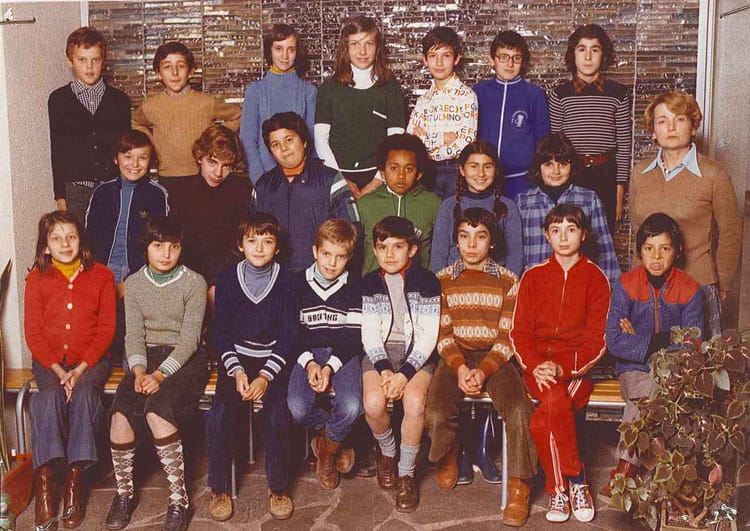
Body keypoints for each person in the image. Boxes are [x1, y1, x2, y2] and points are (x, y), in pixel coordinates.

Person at [426, 207, 536, 527]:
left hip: (496, 359)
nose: (472, 244)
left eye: (480, 237)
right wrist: (461, 369)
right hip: (455, 357)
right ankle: (448, 450)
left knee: (519, 410)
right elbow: (443, 335)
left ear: (493, 242)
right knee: (435, 411)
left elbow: (507, 338)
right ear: (456, 241)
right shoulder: (442, 280)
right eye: (464, 237)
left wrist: (484, 370)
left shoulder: (508, 281)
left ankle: (520, 484)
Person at [105, 217, 208, 531]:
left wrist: (159, 376)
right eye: (158, 245)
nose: (166, 253)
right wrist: (138, 371)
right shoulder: (135, 284)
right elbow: (134, 335)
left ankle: (178, 499)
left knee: (157, 410)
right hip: (145, 358)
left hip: (185, 358)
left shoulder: (195, 283)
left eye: (173, 247)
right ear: (145, 248)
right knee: (121, 413)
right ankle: (124, 494)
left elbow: (189, 340)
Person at [510, 204, 610, 523]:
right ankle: (577, 479)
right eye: (556, 230)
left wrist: (562, 367)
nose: (563, 237)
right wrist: (536, 364)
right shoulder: (533, 277)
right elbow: (519, 332)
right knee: (554, 402)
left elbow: (597, 340)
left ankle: (560, 488)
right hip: (537, 369)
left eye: (571, 229)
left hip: (576, 370)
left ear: (584, 234)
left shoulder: (596, 279)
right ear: (546, 235)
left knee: (543, 419)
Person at [24, 211, 116, 530]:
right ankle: (46, 481)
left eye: (71, 236)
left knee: (85, 394)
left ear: (81, 240)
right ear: (46, 246)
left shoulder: (101, 275)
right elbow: (33, 333)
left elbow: (106, 329)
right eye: (56, 238)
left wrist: (79, 370)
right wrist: (59, 371)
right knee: (47, 397)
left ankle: (76, 479)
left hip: (91, 360)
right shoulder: (37, 278)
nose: (65, 244)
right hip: (49, 361)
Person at [602, 212, 702, 499]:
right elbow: (614, 341)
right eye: (649, 248)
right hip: (631, 368)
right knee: (643, 392)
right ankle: (660, 468)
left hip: (672, 369)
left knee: (649, 393)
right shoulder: (625, 284)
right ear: (639, 252)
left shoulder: (690, 289)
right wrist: (666, 338)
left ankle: (626, 467)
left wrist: (641, 341)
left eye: (664, 248)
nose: (656, 257)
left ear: (677, 251)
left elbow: (692, 343)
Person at [205, 212, 298, 521]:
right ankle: (219, 487)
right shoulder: (227, 279)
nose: (259, 248)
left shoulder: (287, 280)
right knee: (220, 414)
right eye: (252, 240)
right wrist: (237, 371)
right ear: (240, 245)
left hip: (273, 361)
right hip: (237, 362)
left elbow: (289, 336)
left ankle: (279, 487)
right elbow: (221, 334)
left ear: (277, 247)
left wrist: (265, 377)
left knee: (276, 415)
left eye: (267, 241)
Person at [629, 90, 741, 339]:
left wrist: (723, 281)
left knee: (697, 359)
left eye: (679, 119)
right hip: (650, 288)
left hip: (698, 286)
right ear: (653, 131)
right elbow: (638, 231)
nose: (671, 127)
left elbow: (731, 233)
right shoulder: (639, 174)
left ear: (693, 127)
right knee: (650, 357)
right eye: (662, 121)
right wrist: (636, 281)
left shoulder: (714, 175)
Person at [361, 216, 441, 512]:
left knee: (415, 403)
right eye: (383, 247)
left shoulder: (427, 281)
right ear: (375, 250)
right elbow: (369, 334)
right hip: (380, 353)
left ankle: (406, 474)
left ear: (412, 250)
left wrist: (405, 375)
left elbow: (428, 336)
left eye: (398, 247)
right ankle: (388, 452)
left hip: (416, 354)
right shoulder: (369, 283)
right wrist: (384, 369)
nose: (390, 254)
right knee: (373, 403)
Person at [287, 219, 363, 490]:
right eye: (326, 254)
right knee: (296, 408)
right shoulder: (296, 283)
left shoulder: (355, 285)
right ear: (315, 251)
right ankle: (333, 434)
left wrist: (329, 367)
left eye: (340, 256)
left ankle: (327, 450)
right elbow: (291, 333)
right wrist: (309, 364)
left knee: (352, 406)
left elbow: (353, 336)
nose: (332, 263)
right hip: (305, 353)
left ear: (349, 257)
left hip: (342, 354)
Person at [253, 112, 360, 273]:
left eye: (289, 140)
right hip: (275, 278)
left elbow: (352, 232)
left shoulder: (330, 179)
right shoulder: (263, 186)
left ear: (303, 141)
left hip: (320, 276)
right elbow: (252, 236)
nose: (284, 149)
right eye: (275, 144)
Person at [549, 24, 632, 229]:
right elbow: (555, 144)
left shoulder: (618, 94)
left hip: (605, 173)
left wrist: (619, 193)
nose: (588, 57)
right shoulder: (560, 94)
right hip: (571, 174)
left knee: (602, 236)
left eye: (595, 50)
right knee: (570, 231)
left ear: (603, 56)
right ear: (573, 54)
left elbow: (624, 145)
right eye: (581, 49)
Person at [132, 41, 241, 195]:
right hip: (167, 178)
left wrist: (213, 139)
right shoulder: (150, 105)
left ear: (191, 72)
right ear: (158, 73)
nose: (175, 73)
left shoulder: (206, 102)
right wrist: (152, 144)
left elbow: (238, 115)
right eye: (167, 67)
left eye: (181, 66)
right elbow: (135, 122)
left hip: (201, 176)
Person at [315, 16, 406, 197]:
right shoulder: (328, 88)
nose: (362, 51)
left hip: (380, 177)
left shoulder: (390, 87)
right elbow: (321, 140)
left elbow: (396, 140)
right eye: (355, 44)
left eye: (368, 44)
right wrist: (341, 180)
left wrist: (377, 181)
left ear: (377, 48)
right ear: (346, 48)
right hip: (338, 175)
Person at [48, 26, 131, 223]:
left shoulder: (119, 100)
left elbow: (126, 149)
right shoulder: (59, 100)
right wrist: (60, 196)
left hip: (112, 187)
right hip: (76, 190)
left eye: (95, 60)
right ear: (70, 61)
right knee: (79, 237)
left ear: (104, 60)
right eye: (82, 60)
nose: (89, 67)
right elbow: (58, 150)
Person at [516, 132, 620, 283]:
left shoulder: (589, 199)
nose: (556, 171)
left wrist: (612, 287)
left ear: (572, 166)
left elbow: (605, 249)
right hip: (536, 284)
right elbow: (516, 252)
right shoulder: (524, 202)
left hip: (578, 283)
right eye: (549, 164)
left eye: (563, 164)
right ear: (538, 167)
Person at [168, 124, 251, 302]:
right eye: (212, 162)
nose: (218, 173)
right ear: (200, 157)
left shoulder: (240, 190)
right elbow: (177, 242)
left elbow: (239, 242)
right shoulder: (181, 191)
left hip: (226, 265)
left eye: (226, 166)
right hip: (189, 265)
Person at [86, 130, 169, 289]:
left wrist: (133, 280)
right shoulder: (102, 193)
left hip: (140, 273)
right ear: (116, 159)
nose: (135, 164)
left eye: (142, 158)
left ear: (150, 161)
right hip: (102, 270)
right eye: (128, 157)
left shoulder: (157, 195)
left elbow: (159, 242)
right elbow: (90, 237)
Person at [473, 30, 550, 199]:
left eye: (516, 58)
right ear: (492, 59)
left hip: (522, 179)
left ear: (523, 61)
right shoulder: (478, 92)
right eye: (503, 57)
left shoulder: (534, 94)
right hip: (484, 178)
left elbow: (542, 139)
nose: (510, 64)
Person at [430, 139, 523, 276]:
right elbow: (438, 257)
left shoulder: (508, 207)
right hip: (454, 281)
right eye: (474, 166)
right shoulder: (448, 206)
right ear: (462, 170)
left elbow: (515, 258)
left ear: (496, 170)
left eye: (487, 167)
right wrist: (442, 284)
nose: (481, 174)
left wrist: (506, 284)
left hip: (495, 282)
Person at [240, 24, 317, 183]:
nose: (285, 56)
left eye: (291, 49)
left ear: (297, 52)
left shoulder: (309, 91)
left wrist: (308, 180)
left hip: (302, 178)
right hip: (266, 178)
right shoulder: (256, 90)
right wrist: (260, 181)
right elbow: (247, 140)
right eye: (279, 49)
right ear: (269, 51)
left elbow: (313, 142)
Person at [406, 26, 477, 200]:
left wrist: (428, 142)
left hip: (455, 171)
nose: (439, 63)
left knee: (454, 213)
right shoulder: (424, 100)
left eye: (446, 56)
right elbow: (412, 139)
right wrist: (443, 138)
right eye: (433, 56)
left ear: (456, 59)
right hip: (427, 171)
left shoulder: (466, 96)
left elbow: (466, 141)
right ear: (425, 60)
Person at [358, 133, 441, 274]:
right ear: (382, 172)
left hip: (417, 284)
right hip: (374, 285)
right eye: (394, 168)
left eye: (409, 169)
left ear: (419, 173)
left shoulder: (433, 204)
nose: (401, 176)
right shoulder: (365, 204)